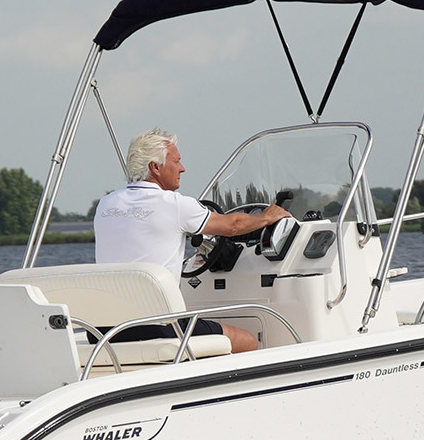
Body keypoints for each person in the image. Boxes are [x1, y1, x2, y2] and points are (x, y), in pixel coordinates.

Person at [93, 129, 290, 354]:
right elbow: (232, 226)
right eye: (176, 161)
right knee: (247, 341)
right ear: (155, 167)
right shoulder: (174, 204)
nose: (182, 168)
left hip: (105, 328)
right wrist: (267, 216)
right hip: (156, 323)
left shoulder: (106, 204)